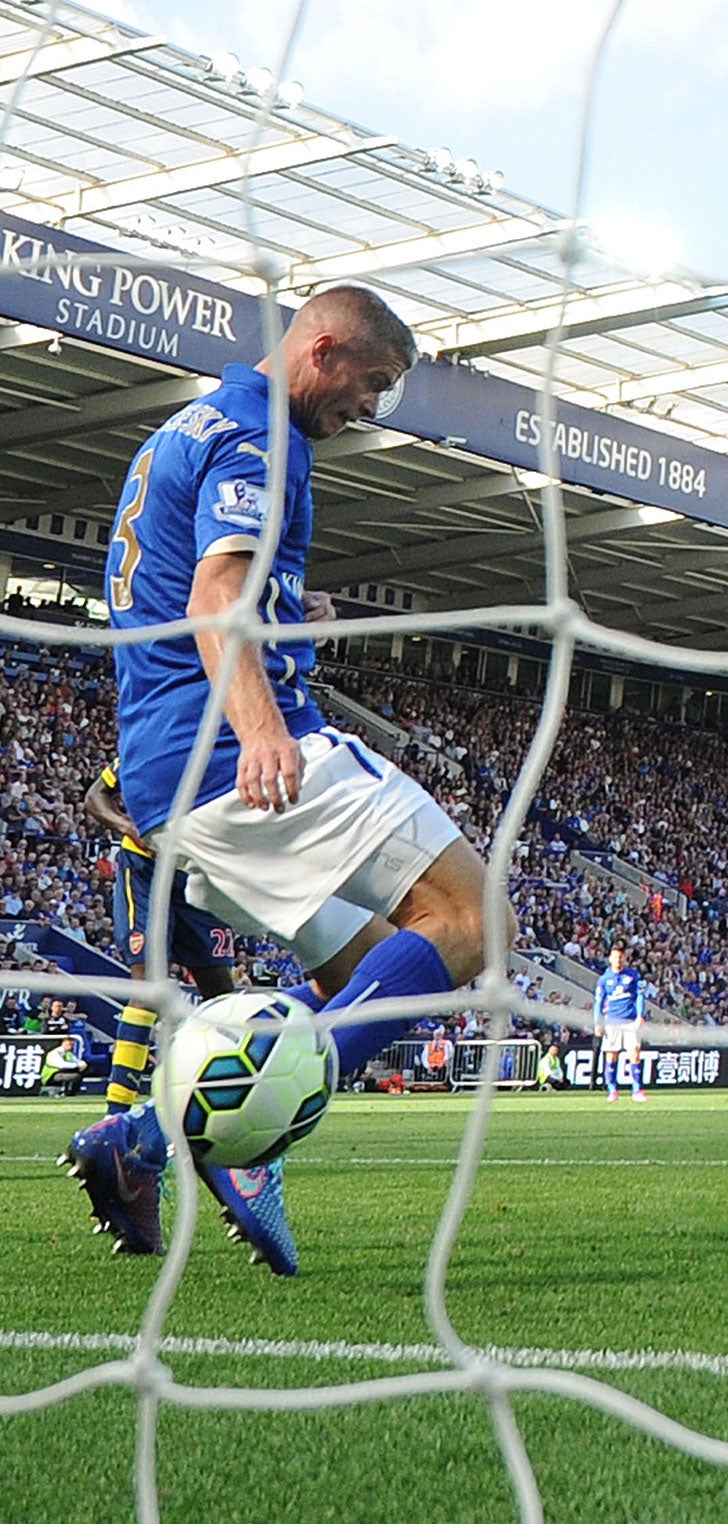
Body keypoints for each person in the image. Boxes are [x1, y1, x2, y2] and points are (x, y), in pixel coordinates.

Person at [66, 286, 509, 1276]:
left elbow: (198, 586)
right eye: (372, 383)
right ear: (322, 350)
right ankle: (202, 1136)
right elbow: (214, 596)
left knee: (371, 979)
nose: (372, 408)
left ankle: (165, 1136)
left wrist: (285, 614)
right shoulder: (261, 439)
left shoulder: (183, 431)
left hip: (167, 775)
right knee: (478, 920)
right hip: (241, 755)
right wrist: (265, 730)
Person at [83, 759, 238, 1114]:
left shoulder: (226, 751)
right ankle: (116, 1114)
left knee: (220, 991)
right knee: (149, 985)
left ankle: (227, 1094)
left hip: (199, 873)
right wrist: (128, 825)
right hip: (145, 870)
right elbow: (95, 797)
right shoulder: (147, 746)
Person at [593, 944, 647, 1103]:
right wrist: (597, 1022)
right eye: (615, 957)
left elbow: (639, 996)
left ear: (624, 958)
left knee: (634, 1053)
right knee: (611, 1055)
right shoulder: (604, 979)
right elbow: (598, 1002)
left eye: (620, 957)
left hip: (630, 1020)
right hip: (612, 1022)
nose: (618, 960)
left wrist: (640, 1016)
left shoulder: (633, 975)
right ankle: (612, 1090)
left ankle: (636, 1090)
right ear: (610, 959)